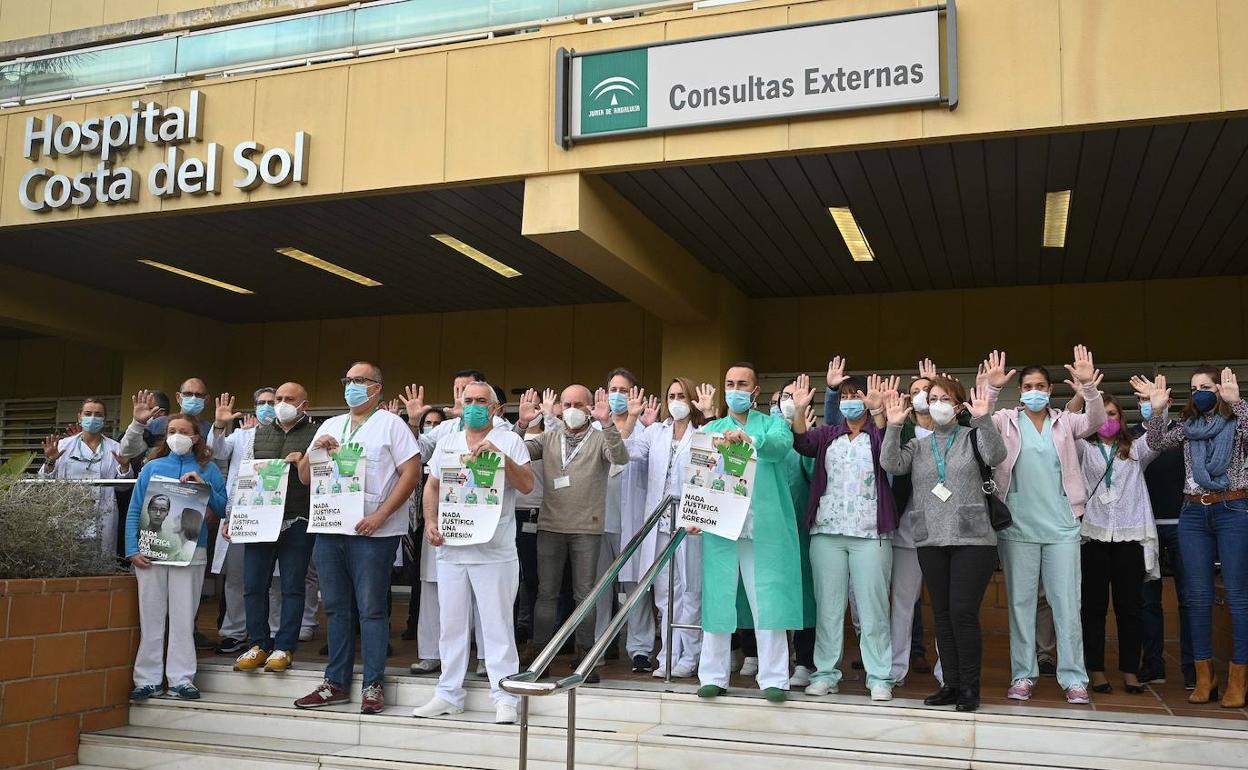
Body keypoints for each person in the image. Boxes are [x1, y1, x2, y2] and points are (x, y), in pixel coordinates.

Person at [293, 362, 421, 715]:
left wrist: (382, 515)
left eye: (358, 381)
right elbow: (305, 477)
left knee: (372, 609)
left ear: (376, 387)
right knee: (335, 608)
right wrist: (314, 449)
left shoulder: (391, 425)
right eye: (347, 380)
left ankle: (373, 684)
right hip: (331, 528)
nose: (351, 386)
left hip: (373, 532)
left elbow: (411, 473)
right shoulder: (331, 424)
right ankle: (335, 682)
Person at [980, 347, 1104, 705]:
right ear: (1019, 391)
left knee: (1066, 603)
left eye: (1041, 385)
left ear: (1050, 390)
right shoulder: (1005, 420)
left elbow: (1096, 421)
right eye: (1028, 385)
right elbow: (980, 422)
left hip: (1063, 526)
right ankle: (1023, 674)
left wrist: (1088, 387)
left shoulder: (1066, 421)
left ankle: (1074, 677)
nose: (1035, 390)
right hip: (1017, 526)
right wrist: (989, 388)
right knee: (1020, 605)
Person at [412, 382, 534, 724]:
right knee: (450, 626)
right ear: (460, 405)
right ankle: (448, 693)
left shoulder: (509, 439)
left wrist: (500, 456)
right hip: (451, 548)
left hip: (494, 551)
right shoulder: (447, 441)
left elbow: (527, 484)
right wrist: (431, 520)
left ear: (495, 408)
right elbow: (433, 484)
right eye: (469, 401)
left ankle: (505, 695)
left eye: (482, 401)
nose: (475, 406)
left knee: (497, 627)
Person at [881, 377, 1003, 712]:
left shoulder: (974, 436)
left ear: (960, 405)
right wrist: (893, 427)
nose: (937, 404)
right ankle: (951, 684)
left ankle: (969, 688)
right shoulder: (919, 446)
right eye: (932, 398)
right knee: (944, 615)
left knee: (963, 612)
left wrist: (983, 417)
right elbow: (891, 463)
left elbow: (997, 453)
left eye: (945, 398)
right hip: (930, 538)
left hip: (972, 538)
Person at [1137, 366, 1248, 708]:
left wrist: (1238, 403)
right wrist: (1157, 410)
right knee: (1196, 596)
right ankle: (1204, 677)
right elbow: (1156, 442)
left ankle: (1238, 679)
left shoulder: (1237, 423)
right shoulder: (1187, 427)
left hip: (1234, 509)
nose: (1200, 391)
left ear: (1220, 389)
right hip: (1192, 513)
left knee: (1238, 594)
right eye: (1195, 387)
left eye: (1207, 386)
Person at [696, 362, 803, 703]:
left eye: (742, 384)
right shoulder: (713, 429)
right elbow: (700, 475)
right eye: (729, 383)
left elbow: (778, 447)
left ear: (755, 391)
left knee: (767, 600)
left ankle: (773, 677)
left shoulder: (774, 425)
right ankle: (712, 674)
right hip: (722, 529)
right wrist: (696, 511)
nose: (735, 389)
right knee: (718, 597)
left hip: (764, 530)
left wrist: (749, 440)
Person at [790, 371, 899, 701]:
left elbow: (889, 456)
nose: (852, 402)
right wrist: (797, 410)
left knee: (873, 608)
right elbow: (802, 443)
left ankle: (879, 675)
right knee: (829, 608)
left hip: (870, 534)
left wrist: (880, 413)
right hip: (826, 532)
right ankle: (825, 672)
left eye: (858, 396)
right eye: (847, 396)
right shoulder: (828, 434)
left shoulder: (878, 433)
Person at [514, 385, 629, 680]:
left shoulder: (600, 437)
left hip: (587, 528)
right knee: (546, 594)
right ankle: (541, 657)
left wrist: (608, 423)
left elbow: (620, 457)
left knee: (585, 596)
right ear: (559, 408)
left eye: (579, 403)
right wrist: (523, 424)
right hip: (550, 526)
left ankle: (584, 658)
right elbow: (514, 453)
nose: (572, 409)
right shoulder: (549, 437)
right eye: (567, 404)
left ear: (591, 407)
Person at [125, 414, 228, 701]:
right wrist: (132, 549)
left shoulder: (208, 469)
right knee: (151, 617)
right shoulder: (152, 467)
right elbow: (135, 509)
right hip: (151, 553)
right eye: (172, 431)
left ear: (196, 437)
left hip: (191, 554)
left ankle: (182, 679)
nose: (177, 436)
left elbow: (223, 508)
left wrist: (202, 487)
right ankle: (147, 680)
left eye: (183, 431)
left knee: (184, 618)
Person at [1069, 392, 1159, 695]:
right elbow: (1067, 427)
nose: (1108, 420)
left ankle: (1131, 671)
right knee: (1093, 607)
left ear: (1122, 419)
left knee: (1130, 608)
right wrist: (1081, 397)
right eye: (1102, 414)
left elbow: (1158, 436)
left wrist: (1154, 407)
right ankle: (1095, 669)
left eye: (1113, 414)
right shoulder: (1084, 448)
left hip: (1129, 536)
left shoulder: (1136, 449)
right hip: (1093, 535)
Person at [627, 378, 714, 679]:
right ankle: (667, 656)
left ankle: (690, 657)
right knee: (664, 595)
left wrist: (710, 416)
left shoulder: (704, 433)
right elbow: (626, 452)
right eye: (671, 395)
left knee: (691, 591)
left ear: (692, 400)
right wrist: (630, 419)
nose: (676, 400)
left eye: (681, 396)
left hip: (691, 523)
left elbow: (718, 462)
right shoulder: (655, 432)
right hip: (660, 523)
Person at [230, 382, 318, 675]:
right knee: (254, 585)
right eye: (278, 398)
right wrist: (233, 514)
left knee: (293, 586)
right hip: (259, 519)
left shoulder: (315, 433)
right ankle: (258, 643)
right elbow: (242, 477)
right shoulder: (257, 433)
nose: (280, 403)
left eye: (288, 399)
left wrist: (304, 460)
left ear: (304, 404)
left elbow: (323, 474)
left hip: (298, 519)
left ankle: (284, 646)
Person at [209, 389, 278, 656]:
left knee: (274, 579)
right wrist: (219, 424)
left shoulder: (289, 436)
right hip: (240, 514)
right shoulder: (241, 436)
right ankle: (233, 632)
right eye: (261, 403)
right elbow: (216, 450)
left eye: (272, 403)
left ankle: (272, 632)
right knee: (236, 578)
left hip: (273, 514)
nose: (267, 407)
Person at [1133, 391, 1194, 689]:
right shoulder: (1130, 438)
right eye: (1142, 399)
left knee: (1189, 599)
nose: (1149, 404)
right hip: (1145, 527)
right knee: (1148, 601)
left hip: (1185, 524)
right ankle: (1153, 666)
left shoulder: (1182, 434)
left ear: (1168, 403)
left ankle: (1193, 669)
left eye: (1154, 399)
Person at [596, 369, 654, 672]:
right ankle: (599, 647)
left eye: (623, 389)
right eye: (612, 389)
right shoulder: (596, 428)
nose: (616, 395)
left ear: (634, 394)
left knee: (636, 588)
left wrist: (634, 421)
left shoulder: (648, 431)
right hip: (598, 520)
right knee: (599, 589)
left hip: (632, 521)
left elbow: (629, 454)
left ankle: (640, 650)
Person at [39, 397, 133, 557]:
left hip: (103, 517)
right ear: (79, 417)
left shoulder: (115, 448)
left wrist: (125, 466)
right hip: (68, 515)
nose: (92, 418)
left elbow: (123, 487)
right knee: (67, 563)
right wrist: (50, 460)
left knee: (101, 568)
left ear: (104, 419)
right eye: (88, 413)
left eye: (98, 414)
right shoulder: (62, 446)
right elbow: (45, 481)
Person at [404, 407, 444, 645]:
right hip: (426, 523)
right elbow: (413, 449)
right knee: (426, 585)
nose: (433, 426)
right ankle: (429, 651)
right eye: (428, 423)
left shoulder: (499, 434)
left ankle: (481, 657)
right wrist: (412, 421)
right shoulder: (442, 436)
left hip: (472, 526)